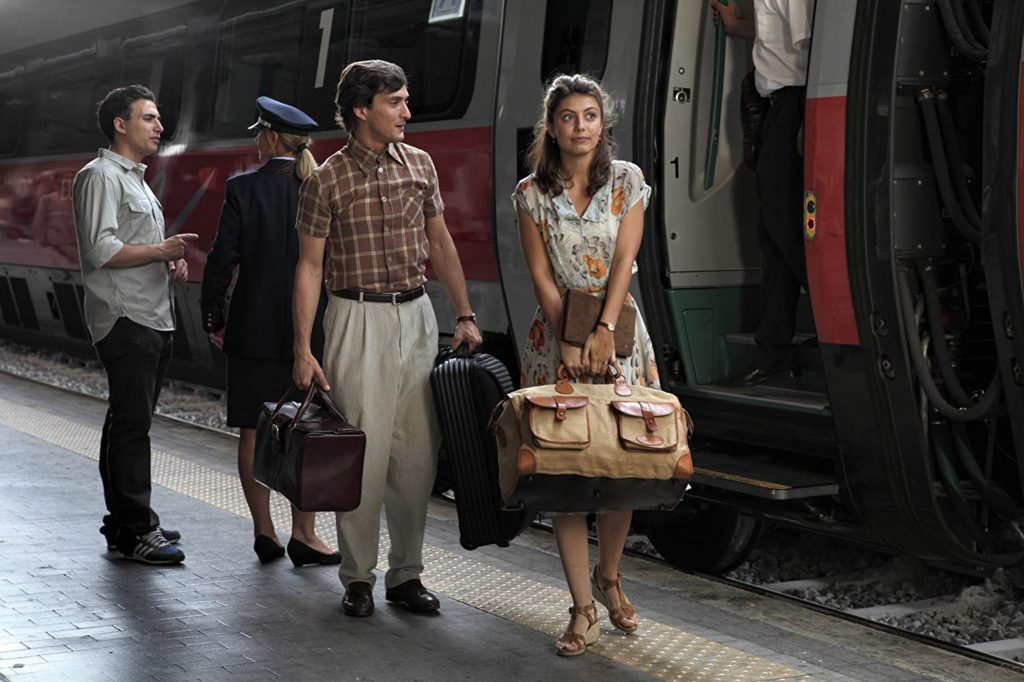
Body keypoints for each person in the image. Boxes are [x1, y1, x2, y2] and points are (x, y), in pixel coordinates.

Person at [292, 59, 482, 617]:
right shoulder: (326, 179)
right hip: (356, 319)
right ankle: (357, 577)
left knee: (417, 455)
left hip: (416, 315)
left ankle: (406, 575)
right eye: (394, 102)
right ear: (361, 110)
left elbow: (442, 244)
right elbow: (308, 268)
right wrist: (303, 349)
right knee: (363, 455)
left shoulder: (421, 165)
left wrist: (465, 313)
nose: (406, 111)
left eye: (404, 100)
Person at [512, 74, 659, 656]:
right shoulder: (529, 192)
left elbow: (624, 261)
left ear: (605, 124)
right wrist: (570, 339)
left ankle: (611, 574)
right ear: (553, 125)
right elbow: (541, 274)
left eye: (591, 116)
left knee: (625, 461)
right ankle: (581, 608)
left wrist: (600, 330)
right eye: (569, 117)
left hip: (620, 333)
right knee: (567, 471)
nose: (580, 127)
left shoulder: (629, 182)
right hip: (555, 343)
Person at [201, 96, 340, 567]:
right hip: (314, 329)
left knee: (252, 431)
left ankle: (265, 532)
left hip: (253, 330)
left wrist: (213, 316)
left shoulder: (242, 189)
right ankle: (306, 534)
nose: (256, 140)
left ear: (272, 138)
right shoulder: (321, 188)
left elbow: (223, 259)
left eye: (258, 132)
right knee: (308, 428)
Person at [71, 84, 198, 565]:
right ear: (120, 125)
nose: (159, 127)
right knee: (131, 427)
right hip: (126, 318)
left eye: (158, 118)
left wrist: (166, 262)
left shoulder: (136, 179)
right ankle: (136, 529)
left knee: (128, 422)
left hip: (150, 314)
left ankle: (125, 525)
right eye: (149, 118)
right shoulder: (100, 176)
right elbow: (100, 250)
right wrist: (161, 251)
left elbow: (133, 246)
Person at [712, 0, 815, 385]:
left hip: (795, 103)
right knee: (773, 231)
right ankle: (774, 352)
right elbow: (783, 37)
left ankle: (842, 315)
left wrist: (806, 117)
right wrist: (737, 24)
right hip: (780, 105)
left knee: (782, 224)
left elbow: (814, 46)